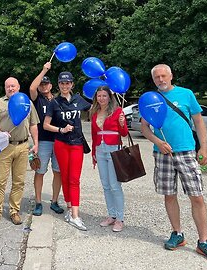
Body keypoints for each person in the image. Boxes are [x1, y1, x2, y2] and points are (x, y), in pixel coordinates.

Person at [141, 64, 207, 263]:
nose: (160, 80)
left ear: (171, 76)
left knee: (197, 197)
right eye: (157, 77)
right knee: (170, 195)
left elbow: (199, 122)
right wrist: (158, 142)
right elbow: (144, 128)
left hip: (186, 151)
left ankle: (204, 241)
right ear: (154, 80)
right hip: (162, 154)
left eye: (163, 76)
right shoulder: (150, 99)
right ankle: (177, 234)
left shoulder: (186, 94)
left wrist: (203, 148)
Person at [0, 77, 39, 227]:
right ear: (5, 88)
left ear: (19, 87)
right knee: (0, 181)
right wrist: (0, 133)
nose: (10, 88)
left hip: (23, 146)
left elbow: (34, 124)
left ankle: (14, 211)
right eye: (8, 86)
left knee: (19, 181)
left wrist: (36, 143)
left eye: (13, 86)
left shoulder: (27, 102)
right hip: (4, 147)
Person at [43, 71, 91, 231]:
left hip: (77, 143)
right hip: (61, 143)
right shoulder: (54, 102)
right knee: (64, 176)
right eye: (62, 83)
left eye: (67, 83)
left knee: (74, 179)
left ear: (72, 84)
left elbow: (96, 109)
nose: (65, 86)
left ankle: (76, 215)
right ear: (59, 85)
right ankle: (70, 209)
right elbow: (45, 125)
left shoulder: (79, 99)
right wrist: (61, 130)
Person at [89, 86, 128, 232]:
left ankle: (120, 218)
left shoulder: (117, 111)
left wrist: (123, 123)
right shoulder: (94, 112)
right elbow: (94, 135)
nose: (101, 98)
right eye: (99, 96)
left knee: (114, 185)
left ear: (109, 97)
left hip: (113, 149)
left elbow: (124, 134)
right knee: (105, 185)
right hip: (100, 149)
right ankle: (111, 215)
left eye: (104, 96)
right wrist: (93, 153)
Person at [29, 62, 63, 216]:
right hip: (43, 141)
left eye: (46, 84)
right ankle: (37, 202)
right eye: (42, 84)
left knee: (58, 172)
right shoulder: (37, 99)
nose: (43, 86)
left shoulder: (58, 100)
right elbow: (31, 88)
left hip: (59, 140)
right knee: (40, 171)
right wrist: (44, 70)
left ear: (51, 85)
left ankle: (54, 201)